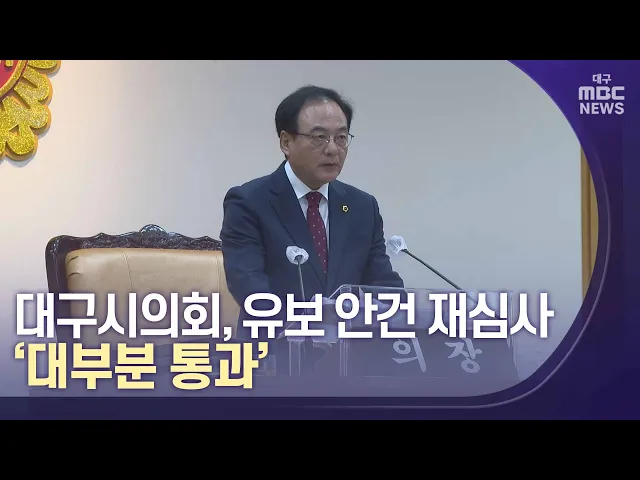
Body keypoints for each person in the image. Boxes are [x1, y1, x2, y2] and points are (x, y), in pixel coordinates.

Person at [219, 85, 404, 370]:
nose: (332, 149)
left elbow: (382, 284)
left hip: (352, 363)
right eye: (319, 137)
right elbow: (251, 289)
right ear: (286, 142)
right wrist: (313, 330)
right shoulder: (249, 202)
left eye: (341, 137)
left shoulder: (362, 206)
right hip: (273, 361)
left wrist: (403, 314)